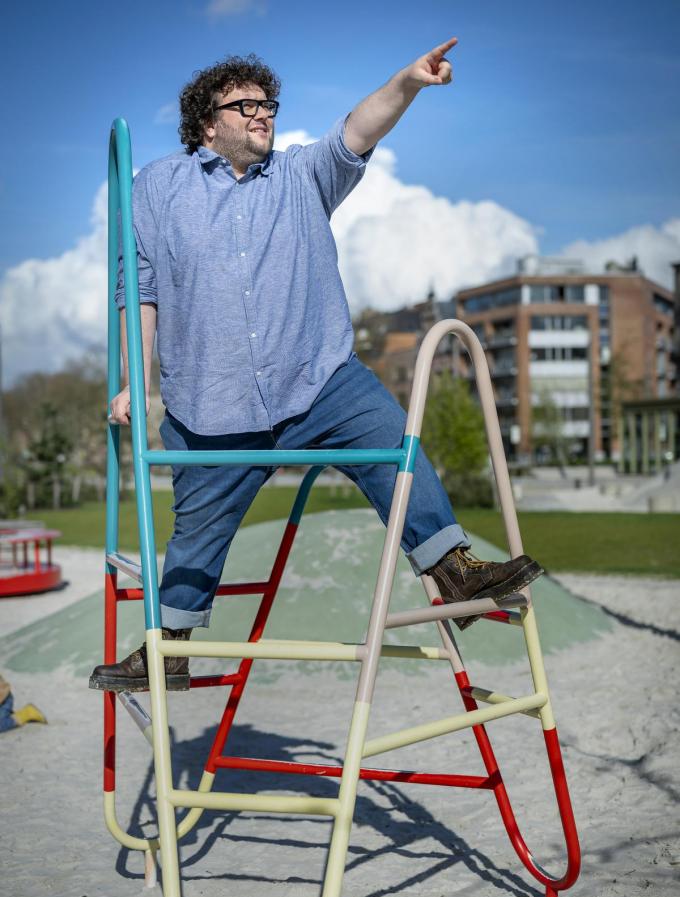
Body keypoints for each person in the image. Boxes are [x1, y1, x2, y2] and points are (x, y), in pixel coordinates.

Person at [90, 40, 542, 693]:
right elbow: (141, 290)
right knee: (196, 530)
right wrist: (140, 380)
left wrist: (408, 83)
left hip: (318, 378)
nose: (261, 114)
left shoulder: (301, 174)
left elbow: (357, 129)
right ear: (204, 123)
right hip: (213, 403)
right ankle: (167, 651)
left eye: (267, 103)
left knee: (393, 440)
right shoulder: (157, 188)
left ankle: (455, 568)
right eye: (243, 105)